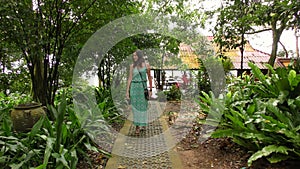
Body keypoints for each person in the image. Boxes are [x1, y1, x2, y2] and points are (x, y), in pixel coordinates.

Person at [126, 50, 152, 135]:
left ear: (140, 56)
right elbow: (129, 78)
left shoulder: (147, 65)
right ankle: (137, 127)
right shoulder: (132, 66)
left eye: (135, 56)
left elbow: (150, 78)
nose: (134, 57)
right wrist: (127, 91)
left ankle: (143, 123)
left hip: (142, 88)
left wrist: (150, 90)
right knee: (135, 108)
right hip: (134, 87)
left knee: (143, 107)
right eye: (133, 56)